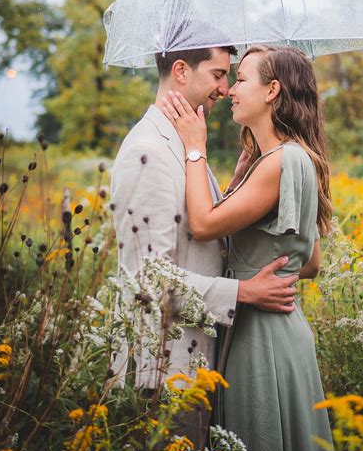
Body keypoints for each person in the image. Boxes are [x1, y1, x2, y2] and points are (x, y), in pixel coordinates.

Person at [162, 45, 335, 451]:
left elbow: (202, 224)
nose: (231, 90)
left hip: (262, 336)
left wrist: (195, 148)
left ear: (272, 90)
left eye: (241, 79)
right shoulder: (293, 158)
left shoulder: (280, 162)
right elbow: (308, 262)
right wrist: (240, 185)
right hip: (280, 328)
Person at [110, 45, 306, 395]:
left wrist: (233, 190)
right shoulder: (148, 153)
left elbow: (200, 237)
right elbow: (148, 284)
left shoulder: (183, 144)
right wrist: (244, 292)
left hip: (193, 367)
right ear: (182, 71)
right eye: (218, 74)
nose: (226, 88)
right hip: (163, 378)